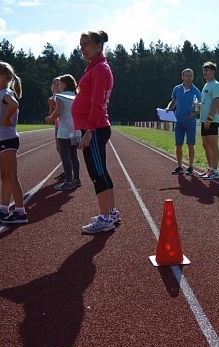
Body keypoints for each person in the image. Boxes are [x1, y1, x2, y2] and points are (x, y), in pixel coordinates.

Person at [71, 30, 120, 234]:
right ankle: (111, 212)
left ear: (99, 46)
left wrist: (89, 130)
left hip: (95, 128)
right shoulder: (95, 67)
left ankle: (105, 219)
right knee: (101, 172)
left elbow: (97, 101)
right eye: (80, 44)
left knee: (97, 174)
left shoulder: (99, 68)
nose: (81, 48)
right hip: (95, 126)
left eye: (86, 44)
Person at [0, 61, 28, 224]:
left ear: (1, 77)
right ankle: (3, 209)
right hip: (1, 139)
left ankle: (20, 212)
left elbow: (15, 105)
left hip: (8, 139)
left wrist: (7, 118)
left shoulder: (5, 93)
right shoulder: (2, 92)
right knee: (4, 176)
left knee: (11, 176)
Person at [46, 74, 82, 190]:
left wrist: (50, 118)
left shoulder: (60, 96)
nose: (59, 85)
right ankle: (76, 179)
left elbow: (58, 111)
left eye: (60, 83)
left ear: (65, 84)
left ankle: (68, 181)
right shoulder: (76, 96)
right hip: (75, 129)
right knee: (74, 155)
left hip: (64, 129)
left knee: (65, 155)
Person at [165, 68, 202, 176]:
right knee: (178, 145)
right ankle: (180, 166)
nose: (188, 78)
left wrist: (194, 114)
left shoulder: (196, 91)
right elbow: (173, 101)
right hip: (179, 122)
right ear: (182, 77)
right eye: (186, 75)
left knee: (191, 145)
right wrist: (168, 108)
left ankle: (190, 167)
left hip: (190, 122)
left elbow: (199, 107)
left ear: (193, 77)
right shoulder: (177, 89)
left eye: (190, 76)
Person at [198, 61, 219, 180]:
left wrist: (209, 119)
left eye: (207, 70)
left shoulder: (216, 85)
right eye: (204, 70)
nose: (204, 73)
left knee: (213, 145)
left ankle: (215, 171)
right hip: (204, 120)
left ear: (213, 71)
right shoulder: (206, 85)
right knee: (205, 144)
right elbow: (206, 102)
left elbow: (216, 103)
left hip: (211, 120)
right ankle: (210, 168)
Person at [47, 77, 65, 180]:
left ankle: (68, 171)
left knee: (65, 149)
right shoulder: (52, 98)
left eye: (57, 83)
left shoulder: (62, 96)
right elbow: (51, 115)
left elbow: (62, 111)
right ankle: (66, 170)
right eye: (54, 83)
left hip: (64, 125)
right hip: (57, 125)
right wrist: (51, 105)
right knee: (59, 148)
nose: (55, 85)